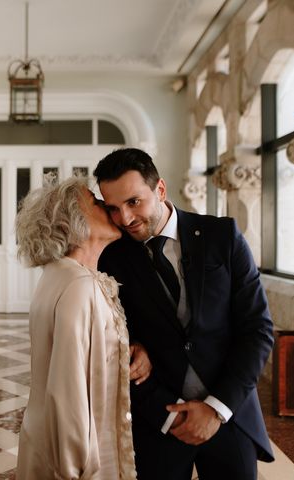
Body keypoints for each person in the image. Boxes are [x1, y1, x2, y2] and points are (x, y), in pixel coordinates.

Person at [94, 148, 275, 480]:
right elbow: (111, 344)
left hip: (229, 414)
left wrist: (216, 409)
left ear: (160, 190)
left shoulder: (223, 237)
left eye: (134, 202)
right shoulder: (111, 259)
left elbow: (257, 330)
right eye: (113, 208)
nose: (125, 218)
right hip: (159, 422)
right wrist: (167, 412)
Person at [15, 177, 150, 480]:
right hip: (76, 463)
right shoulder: (80, 286)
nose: (106, 205)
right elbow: (68, 393)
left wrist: (123, 350)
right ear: (73, 219)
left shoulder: (60, 275)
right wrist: (77, 468)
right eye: (94, 200)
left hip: (46, 443)